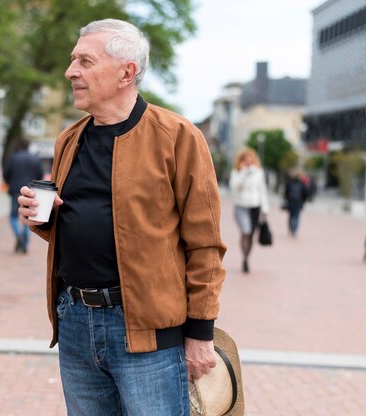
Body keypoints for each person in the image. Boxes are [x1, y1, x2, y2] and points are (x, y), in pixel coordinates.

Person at [17, 19, 227, 415]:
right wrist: (43, 220)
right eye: (72, 60)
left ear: (126, 72)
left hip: (146, 332)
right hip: (75, 322)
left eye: (85, 61)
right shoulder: (70, 138)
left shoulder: (178, 136)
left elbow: (206, 244)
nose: (70, 71)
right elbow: (90, 223)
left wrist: (201, 334)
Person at [229, 148, 270, 273]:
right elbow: (234, 187)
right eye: (245, 159)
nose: (248, 161)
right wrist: (243, 173)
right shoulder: (236, 172)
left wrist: (265, 208)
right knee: (245, 231)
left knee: (251, 234)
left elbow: (262, 190)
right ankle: (245, 255)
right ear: (241, 160)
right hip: (241, 206)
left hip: (255, 206)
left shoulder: (258, 172)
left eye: (250, 158)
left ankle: (246, 258)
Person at [2, 139, 44, 254]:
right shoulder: (35, 159)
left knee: (13, 217)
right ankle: (25, 243)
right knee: (28, 218)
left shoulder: (13, 158)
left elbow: (6, 174)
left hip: (16, 191)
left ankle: (19, 236)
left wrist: (9, 182)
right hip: (31, 193)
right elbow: (40, 175)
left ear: (18, 146)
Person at [283, 168, 309, 237]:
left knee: (290, 216)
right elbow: (305, 193)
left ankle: (290, 228)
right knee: (297, 216)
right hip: (298, 202)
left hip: (290, 201)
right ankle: (294, 230)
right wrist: (304, 200)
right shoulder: (302, 184)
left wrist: (286, 199)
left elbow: (286, 192)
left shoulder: (289, 182)